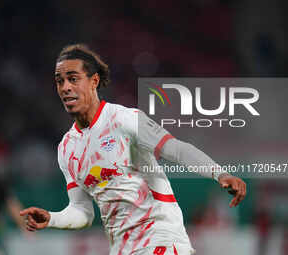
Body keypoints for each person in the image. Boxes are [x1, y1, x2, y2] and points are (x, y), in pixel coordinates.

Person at [20, 44, 247, 255]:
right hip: (122, 248)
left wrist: (220, 173)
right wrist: (52, 218)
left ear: (94, 81)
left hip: (161, 239)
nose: (66, 87)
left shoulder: (124, 120)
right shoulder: (67, 148)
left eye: (73, 79)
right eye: (60, 81)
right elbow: (82, 212)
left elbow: (175, 148)